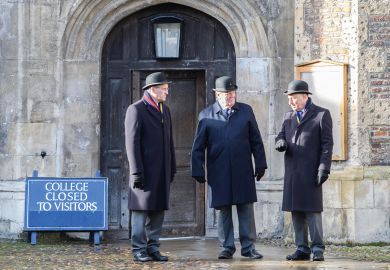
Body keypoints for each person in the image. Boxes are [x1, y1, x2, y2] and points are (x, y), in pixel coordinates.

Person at [191, 76, 267, 260]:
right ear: (217, 95)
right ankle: (226, 247)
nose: (229, 97)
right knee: (223, 210)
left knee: (245, 209)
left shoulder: (246, 111)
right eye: (225, 94)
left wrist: (261, 163)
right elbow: (198, 147)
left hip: (243, 169)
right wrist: (197, 169)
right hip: (219, 171)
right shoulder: (206, 115)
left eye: (232, 93)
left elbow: (256, 140)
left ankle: (248, 247)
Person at [275, 80, 333, 261]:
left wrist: (324, 167)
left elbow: (327, 144)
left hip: (311, 171)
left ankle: (317, 249)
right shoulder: (287, 116)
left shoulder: (321, 115)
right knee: (296, 210)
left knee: (313, 211)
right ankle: (302, 248)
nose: (291, 102)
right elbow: (281, 135)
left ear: (305, 97)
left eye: (294, 98)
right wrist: (280, 142)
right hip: (292, 172)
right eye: (289, 99)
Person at [124, 72, 176, 262]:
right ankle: (139, 249)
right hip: (144, 172)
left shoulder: (165, 110)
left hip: (161, 171)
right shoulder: (136, 109)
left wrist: (172, 166)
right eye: (164, 90)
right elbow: (132, 143)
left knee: (158, 211)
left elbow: (170, 141)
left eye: (167, 90)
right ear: (153, 90)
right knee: (140, 211)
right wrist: (136, 171)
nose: (166, 93)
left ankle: (153, 247)